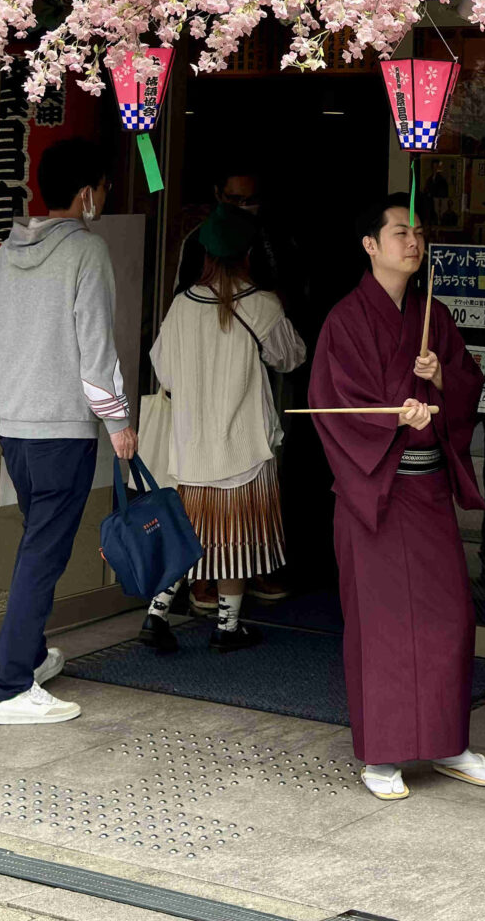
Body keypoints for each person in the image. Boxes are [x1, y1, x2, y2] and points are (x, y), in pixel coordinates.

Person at [308, 195, 485, 802]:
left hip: (426, 489)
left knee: (450, 618)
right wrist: (394, 416)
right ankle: (381, 753)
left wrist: (440, 376)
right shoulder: (345, 320)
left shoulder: (431, 314)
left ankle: (448, 742)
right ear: (370, 245)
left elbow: (467, 384)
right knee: (382, 626)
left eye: (418, 232)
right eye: (398, 232)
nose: (412, 242)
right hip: (376, 495)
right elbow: (335, 405)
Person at [0, 137, 136, 728]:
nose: (106, 196)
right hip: (64, 430)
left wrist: (25, 362)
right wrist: (118, 421)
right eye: (104, 187)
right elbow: (97, 351)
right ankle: (10, 687)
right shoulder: (86, 254)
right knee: (44, 551)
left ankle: (31, 658)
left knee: (35, 544)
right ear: (88, 192)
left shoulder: (6, 253)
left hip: (17, 427)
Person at [139, 206, 307, 656]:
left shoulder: (181, 305)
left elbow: (165, 372)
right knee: (236, 539)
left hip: (191, 446)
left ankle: (156, 614)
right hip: (243, 446)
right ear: (249, 252)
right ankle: (227, 627)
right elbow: (291, 358)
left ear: (206, 253)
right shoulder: (263, 304)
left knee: (188, 533)